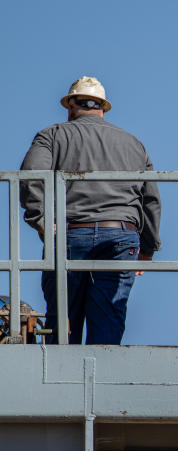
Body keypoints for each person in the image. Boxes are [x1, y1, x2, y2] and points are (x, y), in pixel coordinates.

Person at [20, 76, 161, 344]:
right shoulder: (133, 143)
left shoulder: (53, 135)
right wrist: (148, 247)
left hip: (69, 235)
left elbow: (31, 176)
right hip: (121, 239)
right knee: (108, 317)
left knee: (64, 320)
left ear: (70, 106)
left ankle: (61, 379)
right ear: (103, 109)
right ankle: (104, 379)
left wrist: (41, 220)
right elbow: (150, 198)